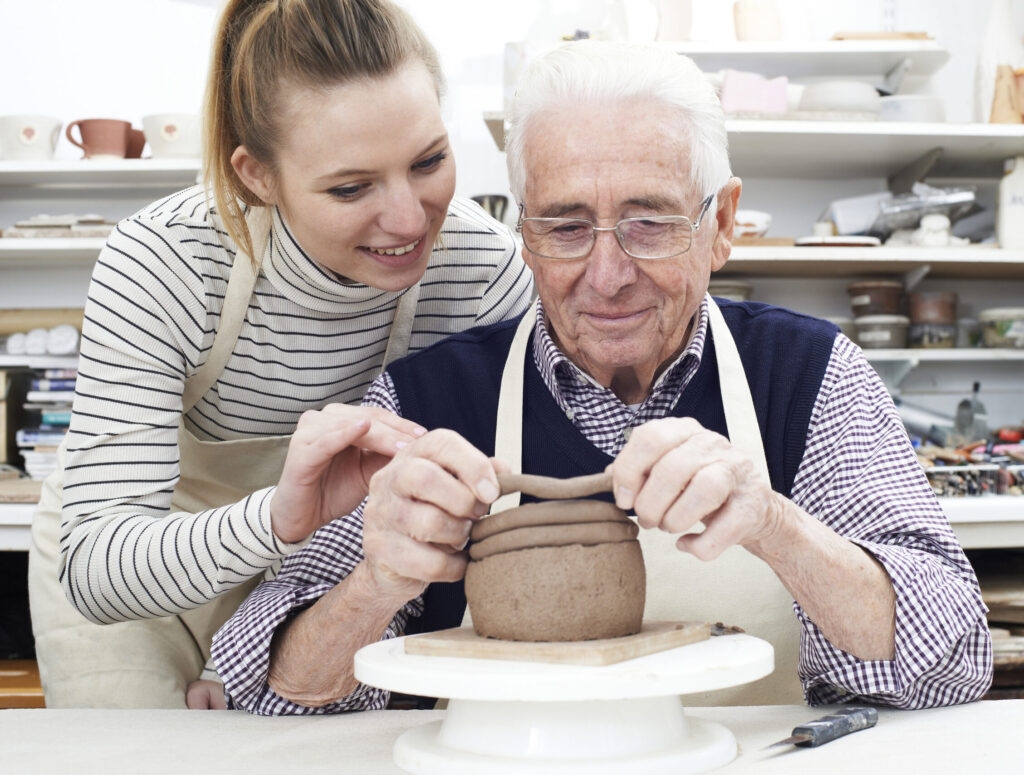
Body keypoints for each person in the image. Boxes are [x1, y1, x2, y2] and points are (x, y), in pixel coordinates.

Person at [213, 40, 992, 714]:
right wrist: (376, 583)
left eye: (649, 222)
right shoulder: (427, 401)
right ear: (524, 235)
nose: (608, 274)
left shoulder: (810, 376)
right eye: (566, 225)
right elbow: (269, 688)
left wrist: (773, 524)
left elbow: (954, 661)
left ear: (721, 224)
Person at [27, 0, 533, 710]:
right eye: (350, 187)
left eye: (428, 162)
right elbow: (97, 568)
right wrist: (277, 519)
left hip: (326, 586)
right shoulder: (165, 262)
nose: (408, 218)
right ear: (257, 175)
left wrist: (266, 644)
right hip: (141, 587)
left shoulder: (483, 272)